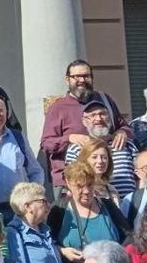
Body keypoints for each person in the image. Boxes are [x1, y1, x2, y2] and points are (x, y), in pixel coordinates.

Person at [38, 60, 131, 189]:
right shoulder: (58, 107)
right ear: (67, 79)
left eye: (86, 76)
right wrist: (69, 138)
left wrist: (123, 132)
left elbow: (124, 125)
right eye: (76, 76)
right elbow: (46, 144)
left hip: (109, 177)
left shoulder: (104, 99)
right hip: (70, 182)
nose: (81, 80)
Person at [51, 163, 129, 263]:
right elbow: (46, 243)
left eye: (90, 185)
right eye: (80, 186)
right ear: (68, 183)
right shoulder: (59, 210)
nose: (86, 191)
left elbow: (129, 237)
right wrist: (62, 251)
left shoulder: (108, 206)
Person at [64, 100, 140, 198]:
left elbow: (140, 176)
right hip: (94, 204)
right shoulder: (76, 148)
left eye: (102, 114)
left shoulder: (127, 145)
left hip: (129, 206)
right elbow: (72, 179)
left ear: (110, 118)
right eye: (92, 115)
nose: (98, 119)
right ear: (84, 121)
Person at [67, 129, 138, 200]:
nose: (100, 161)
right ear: (85, 160)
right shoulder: (79, 190)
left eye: (104, 157)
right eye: (94, 157)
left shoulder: (111, 191)